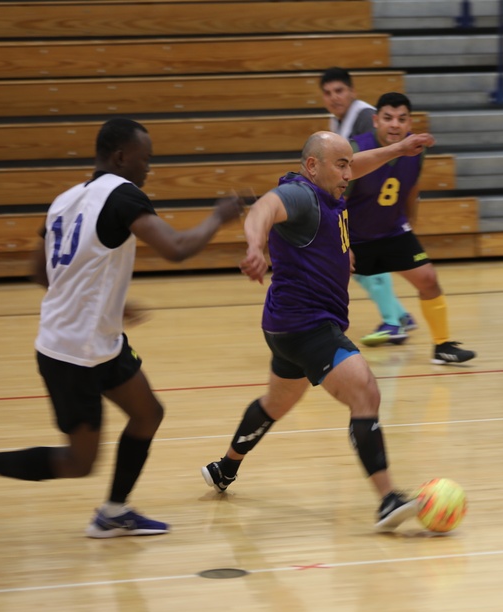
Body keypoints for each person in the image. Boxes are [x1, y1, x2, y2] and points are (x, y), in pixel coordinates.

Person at [0, 118, 247, 537]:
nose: (148, 169)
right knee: (78, 463)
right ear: (121, 157)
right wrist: (218, 217)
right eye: (146, 159)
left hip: (98, 342)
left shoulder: (65, 200)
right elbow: (175, 249)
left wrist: (102, 301)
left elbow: (38, 269)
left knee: (148, 414)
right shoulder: (123, 196)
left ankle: (114, 512)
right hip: (72, 353)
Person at [200, 130, 435, 531]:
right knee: (365, 391)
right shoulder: (300, 195)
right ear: (313, 166)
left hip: (283, 325)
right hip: (306, 323)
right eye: (340, 164)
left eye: (348, 163)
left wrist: (397, 149)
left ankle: (224, 468)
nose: (349, 172)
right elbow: (263, 210)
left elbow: (359, 164)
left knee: (276, 403)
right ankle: (386, 499)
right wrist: (255, 247)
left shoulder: (328, 185)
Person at [347, 92, 476, 365]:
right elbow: (336, 199)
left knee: (428, 279)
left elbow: (411, 187)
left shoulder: (417, 150)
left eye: (401, 119)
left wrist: (410, 224)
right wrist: (339, 243)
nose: (395, 124)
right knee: (324, 291)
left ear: (409, 123)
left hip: (393, 232)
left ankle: (442, 346)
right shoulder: (356, 150)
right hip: (354, 238)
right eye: (388, 118)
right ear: (375, 121)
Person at [320, 66, 417, 347]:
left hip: (374, 204)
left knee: (360, 263)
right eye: (328, 93)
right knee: (357, 266)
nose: (334, 97)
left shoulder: (364, 119)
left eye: (339, 91)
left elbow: (373, 164)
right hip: (365, 204)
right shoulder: (337, 121)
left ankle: (393, 320)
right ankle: (398, 315)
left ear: (352, 92)